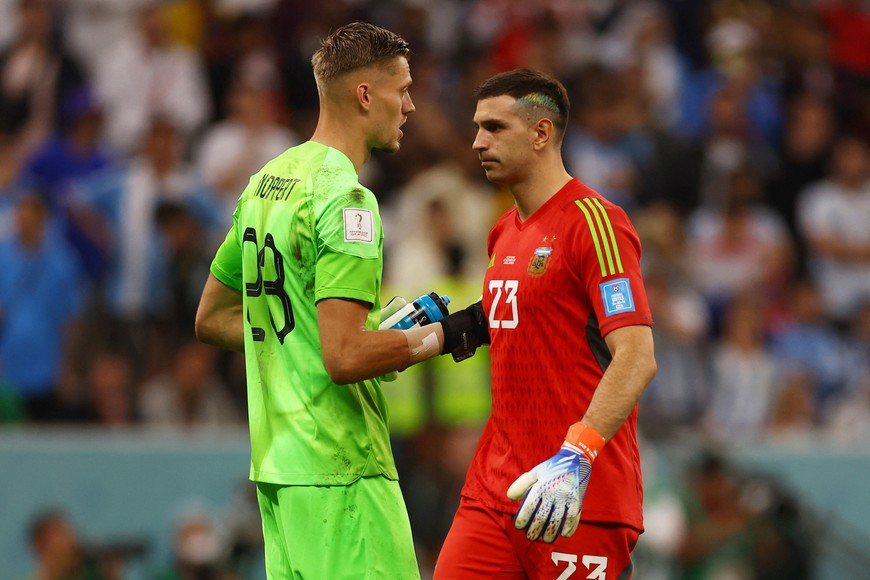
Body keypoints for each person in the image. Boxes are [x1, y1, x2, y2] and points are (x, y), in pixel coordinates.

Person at [194, 22, 488, 579]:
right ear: (364, 95)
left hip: (279, 472)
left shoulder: (266, 183)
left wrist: (318, 337)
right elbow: (346, 357)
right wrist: (445, 335)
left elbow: (212, 319)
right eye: (401, 90)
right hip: (342, 468)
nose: (410, 105)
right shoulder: (349, 201)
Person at [434, 69, 657, 579]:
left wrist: (576, 456)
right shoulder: (501, 235)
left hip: (579, 497)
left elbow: (637, 357)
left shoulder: (596, 223)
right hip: (495, 493)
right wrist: (415, 340)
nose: (476, 142)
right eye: (476, 127)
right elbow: (506, 322)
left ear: (541, 133)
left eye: (494, 128)